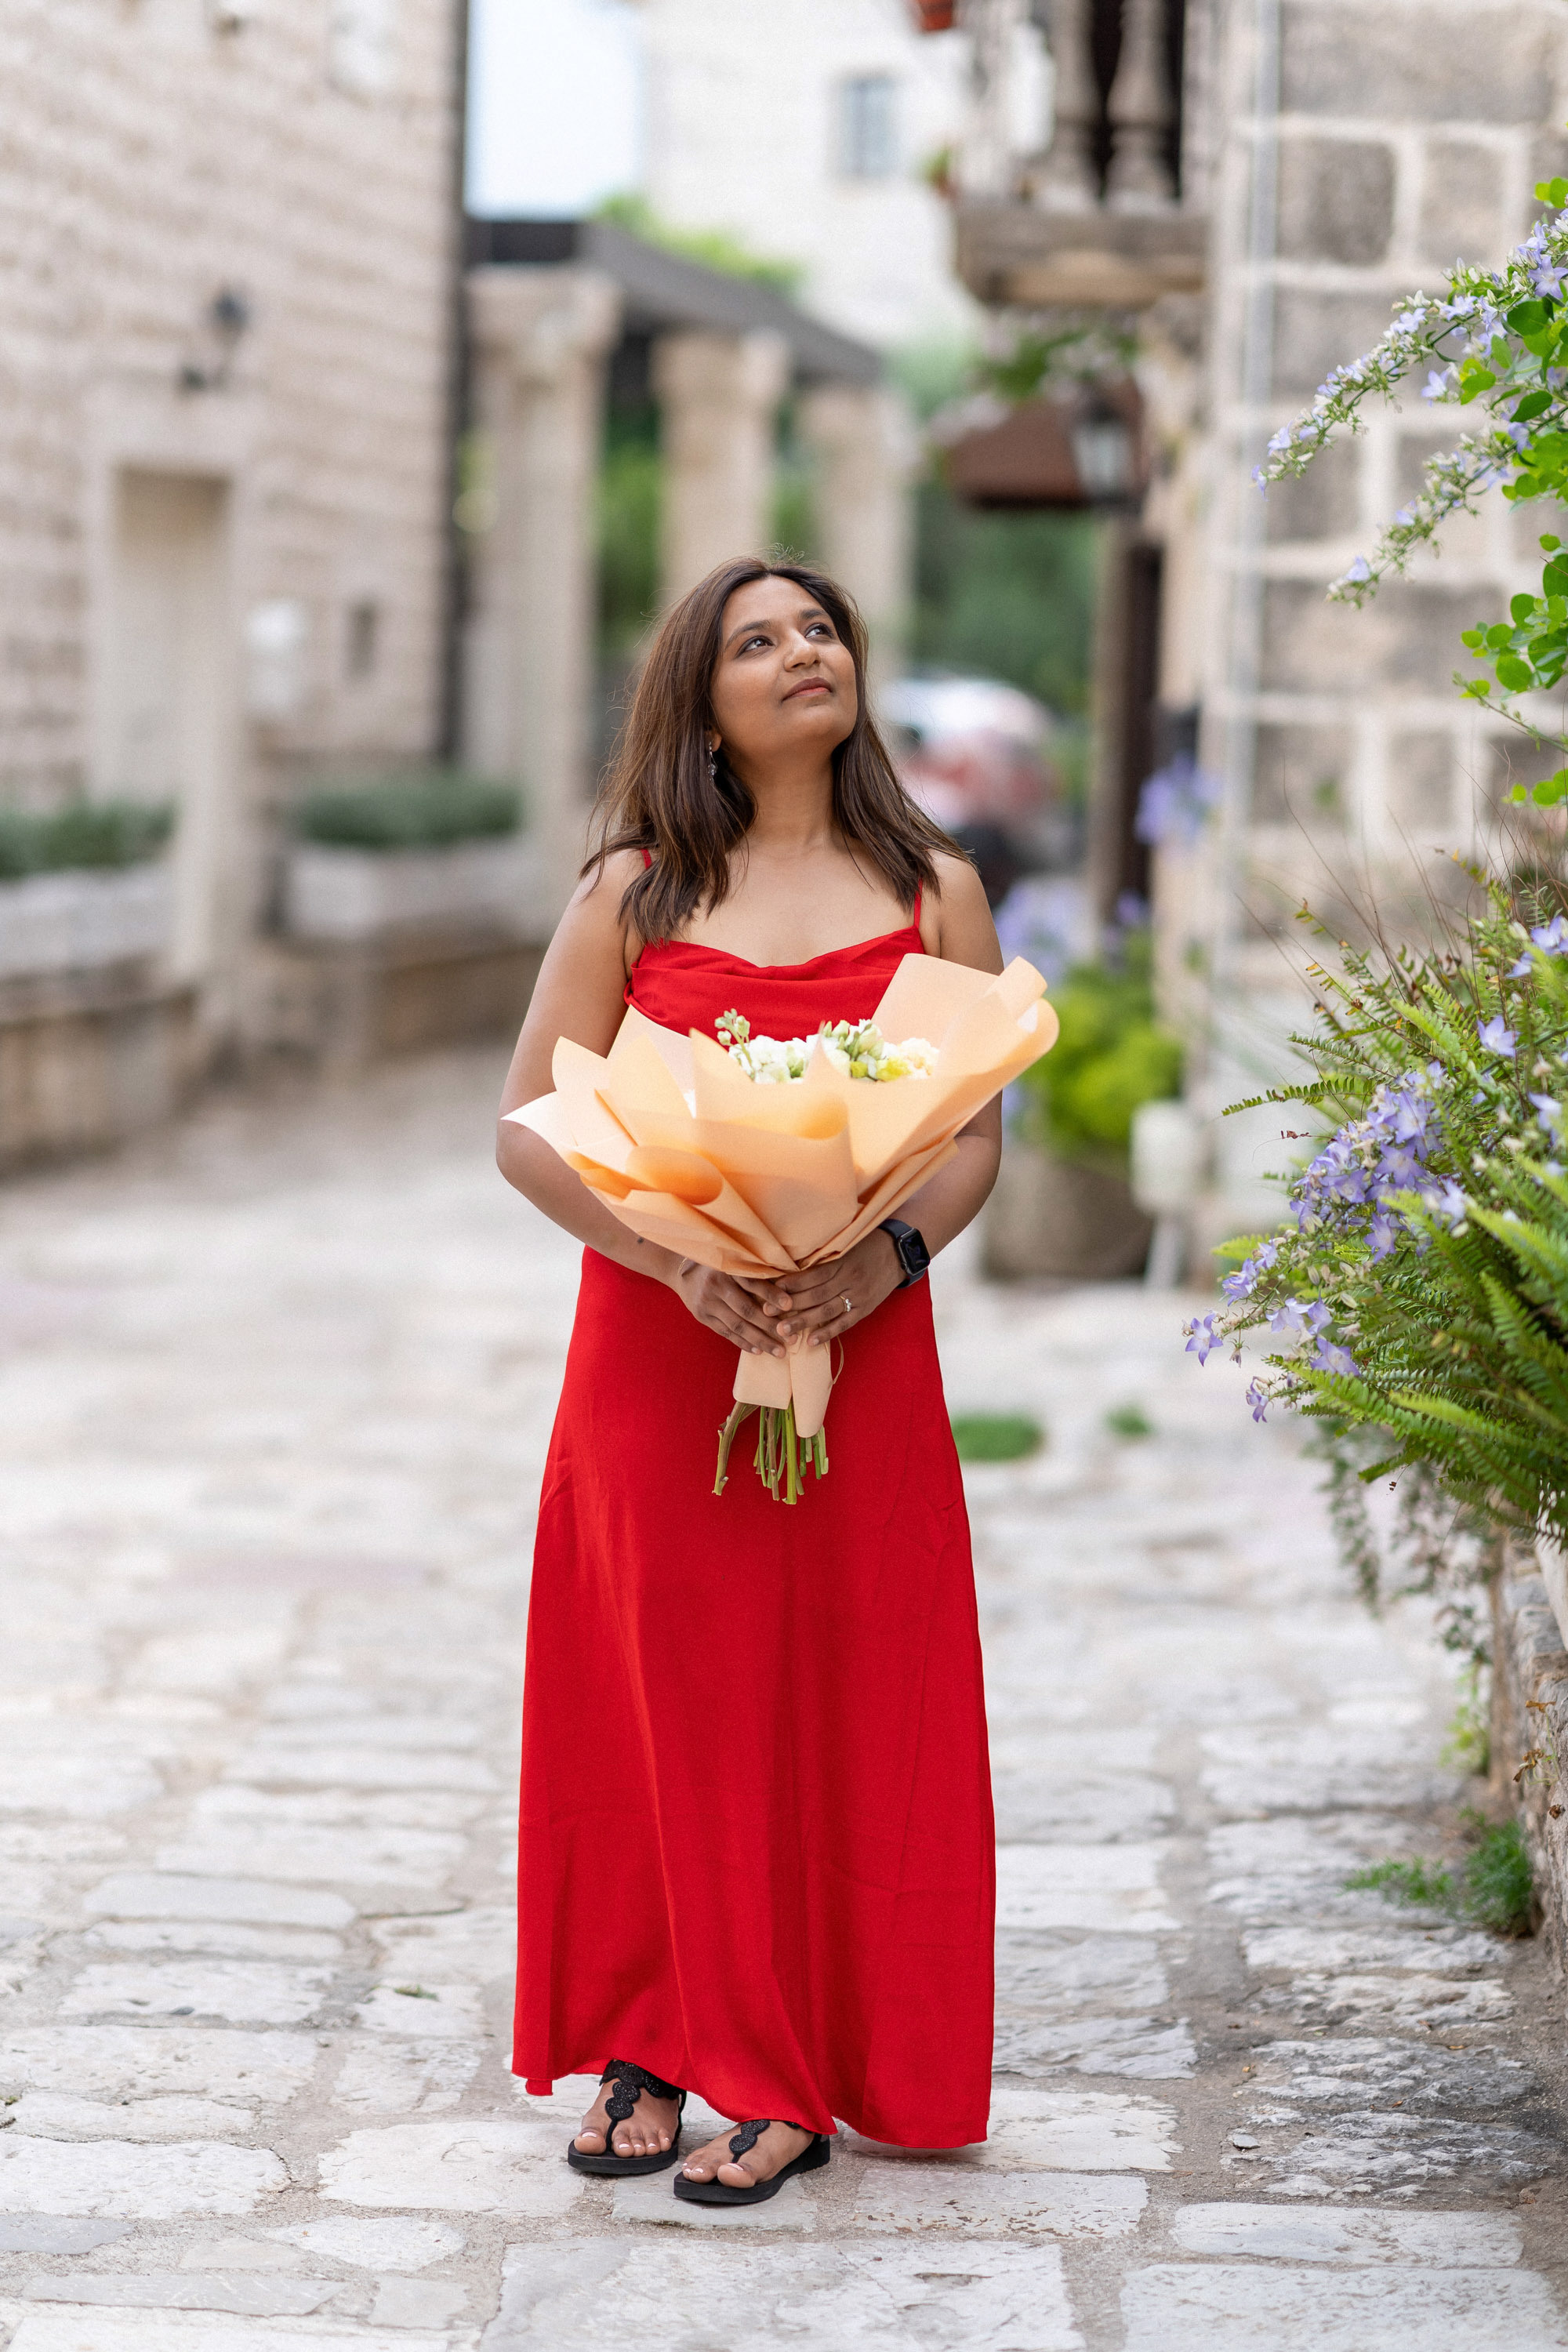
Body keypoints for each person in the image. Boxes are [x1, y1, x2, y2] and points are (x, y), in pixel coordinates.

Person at [496, 556, 1003, 2206]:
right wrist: (679, 1264)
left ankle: (781, 2072)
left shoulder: (935, 890)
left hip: (861, 1344)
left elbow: (972, 1132)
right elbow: (530, 1125)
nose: (805, 653)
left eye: (823, 628)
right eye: (757, 639)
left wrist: (876, 1264)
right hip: (659, 1342)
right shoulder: (634, 891)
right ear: (699, 700)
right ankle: (647, 2039)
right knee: (657, 1683)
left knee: (837, 1689)